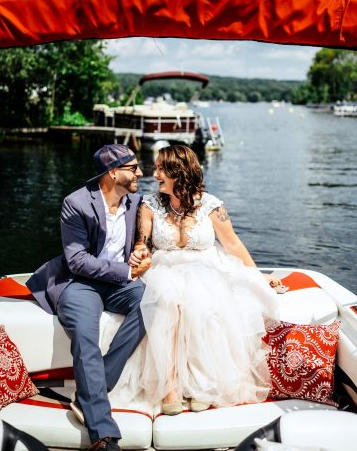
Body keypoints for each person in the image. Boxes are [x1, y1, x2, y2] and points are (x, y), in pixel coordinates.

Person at [126, 144, 280, 415]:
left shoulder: (211, 205)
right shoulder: (149, 204)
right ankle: (169, 384)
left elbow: (232, 245)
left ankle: (204, 383)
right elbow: (143, 243)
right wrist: (139, 254)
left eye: (162, 168)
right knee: (167, 299)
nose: (155, 173)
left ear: (179, 172)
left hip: (207, 267)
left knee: (204, 301)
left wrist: (257, 276)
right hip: (165, 268)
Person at [27, 144, 151, 451]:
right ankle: (103, 434)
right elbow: (77, 261)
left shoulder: (136, 201)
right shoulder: (76, 203)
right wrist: (126, 272)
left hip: (119, 283)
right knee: (85, 334)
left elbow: (144, 238)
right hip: (79, 282)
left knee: (153, 304)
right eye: (133, 168)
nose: (141, 173)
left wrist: (141, 249)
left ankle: (93, 386)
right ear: (112, 173)